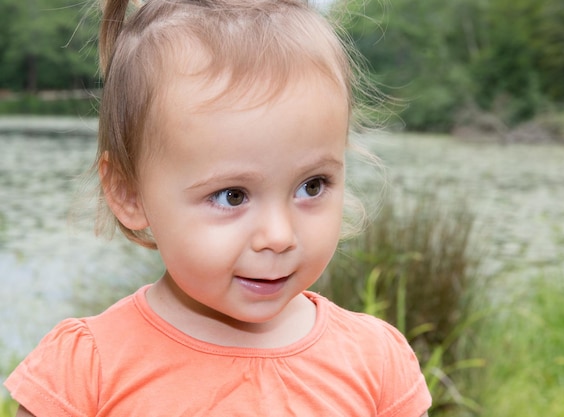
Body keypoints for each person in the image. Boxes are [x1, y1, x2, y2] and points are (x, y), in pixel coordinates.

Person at [5, 0, 432, 415]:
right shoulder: (85, 374)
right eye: (233, 196)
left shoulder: (375, 365)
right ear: (129, 193)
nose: (279, 236)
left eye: (311, 185)